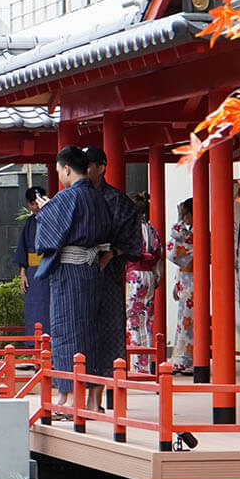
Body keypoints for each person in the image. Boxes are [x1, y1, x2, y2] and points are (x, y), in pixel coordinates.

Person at [35, 146, 112, 411]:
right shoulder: (98, 197)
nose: (60, 176)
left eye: (59, 171)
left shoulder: (69, 197)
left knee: (66, 330)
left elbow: (47, 232)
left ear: (67, 169)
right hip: (92, 270)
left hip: (69, 272)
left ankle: (68, 397)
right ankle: (90, 399)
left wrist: (45, 210)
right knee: (90, 331)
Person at [84, 146, 142, 382]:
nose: (84, 171)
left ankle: (111, 382)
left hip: (108, 272)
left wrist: (112, 253)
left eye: (88, 166)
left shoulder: (118, 200)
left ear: (101, 167)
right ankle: (81, 379)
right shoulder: (77, 196)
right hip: (80, 271)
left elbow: (132, 240)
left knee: (110, 325)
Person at [124, 192, 164, 372]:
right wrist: (157, 278)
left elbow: (124, 254)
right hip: (149, 275)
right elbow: (158, 256)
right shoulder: (152, 230)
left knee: (133, 320)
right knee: (147, 321)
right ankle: (146, 366)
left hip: (134, 277)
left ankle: (136, 366)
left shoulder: (130, 230)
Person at [14, 186, 51, 335]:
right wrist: (22, 273)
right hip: (33, 271)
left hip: (49, 269)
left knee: (48, 307)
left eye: (36, 203)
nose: (34, 207)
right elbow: (23, 248)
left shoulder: (52, 219)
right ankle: (32, 341)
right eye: (31, 204)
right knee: (33, 308)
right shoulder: (30, 222)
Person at [167, 198, 194, 371]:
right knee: (184, 319)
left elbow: (174, 248)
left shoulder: (193, 233)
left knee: (188, 320)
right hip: (186, 278)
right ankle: (183, 359)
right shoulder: (189, 233)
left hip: (193, 278)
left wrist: (178, 219)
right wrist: (177, 283)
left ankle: (186, 360)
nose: (184, 218)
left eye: (186, 214)